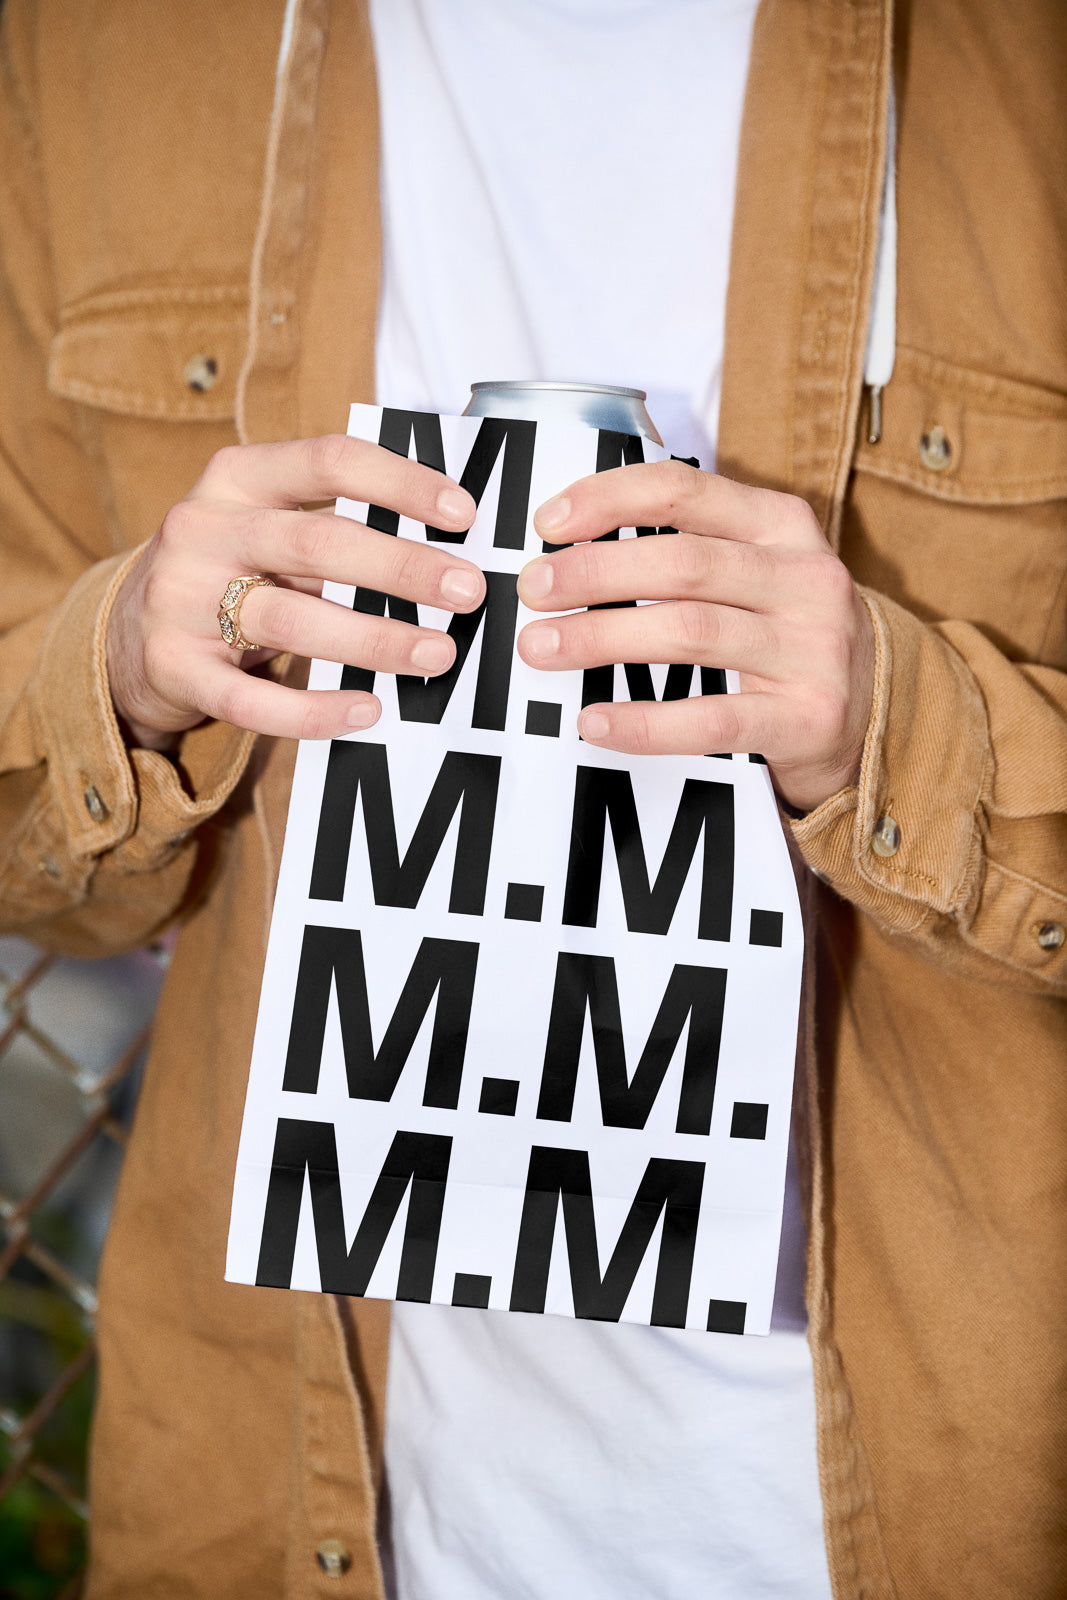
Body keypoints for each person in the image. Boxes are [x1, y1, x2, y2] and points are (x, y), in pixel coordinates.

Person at [1, 1, 1064, 1597]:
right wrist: (126, 665)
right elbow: (39, 870)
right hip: (295, 1507)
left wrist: (901, 729)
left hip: (909, 1508)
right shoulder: (93, 49)